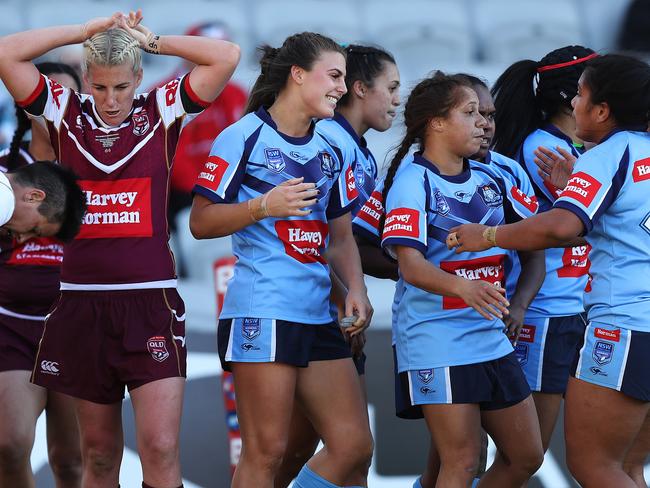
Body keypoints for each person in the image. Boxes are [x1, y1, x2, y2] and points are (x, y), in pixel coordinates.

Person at [0, 9, 240, 488]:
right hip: (82, 305)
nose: (111, 100)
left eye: (122, 87)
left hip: (150, 303)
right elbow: (6, 53)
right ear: (86, 77)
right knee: (101, 456)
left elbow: (226, 56)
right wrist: (83, 32)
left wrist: (151, 41)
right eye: (101, 86)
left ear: (138, 78)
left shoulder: (161, 108)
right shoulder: (65, 111)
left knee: (161, 448)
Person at [448, 53, 650, 488]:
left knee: (595, 467)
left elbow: (560, 227)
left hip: (625, 324)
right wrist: (570, 192)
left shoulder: (607, 154)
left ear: (602, 111)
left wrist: (487, 236)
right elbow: (610, 224)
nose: (574, 105)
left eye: (582, 95)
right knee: (629, 468)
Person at [190, 32, 373, 488]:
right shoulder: (243, 136)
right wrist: (262, 206)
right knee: (266, 453)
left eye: (345, 79)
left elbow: (342, 238)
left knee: (353, 446)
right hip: (263, 309)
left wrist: (357, 291)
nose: (342, 88)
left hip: (317, 313)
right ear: (297, 74)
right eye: (334, 76)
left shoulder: (332, 147)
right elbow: (200, 222)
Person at [379, 71, 543, 487]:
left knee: (526, 457)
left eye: (484, 114)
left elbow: (542, 239)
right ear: (436, 122)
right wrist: (463, 288)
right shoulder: (413, 182)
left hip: (489, 335)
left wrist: (518, 304)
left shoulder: (493, 177)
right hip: (437, 337)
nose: (483, 123)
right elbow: (410, 266)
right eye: (470, 113)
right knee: (464, 459)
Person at [274, 43, 400, 488]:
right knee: (343, 452)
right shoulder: (329, 142)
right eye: (392, 87)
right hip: (312, 312)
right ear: (361, 89)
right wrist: (347, 295)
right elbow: (318, 239)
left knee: (309, 453)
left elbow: (354, 240)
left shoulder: (357, 150)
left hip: (331, 311)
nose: (397, 100)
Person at [490, 45, 596, 456]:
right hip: (547, 311)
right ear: (575, 96)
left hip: (574, 308)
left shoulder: (581, 150)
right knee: (523, 457)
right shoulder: (544, 150)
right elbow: (579, 227)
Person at [0, 61, 83, 488]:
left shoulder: (100, 168)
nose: (56, 107)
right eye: (47, 97)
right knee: (10, 445)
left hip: (77, 329)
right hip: (11, 327)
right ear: (26, 101)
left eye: (67, 99)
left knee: (72, 461)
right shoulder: (5, 175)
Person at [148, 21, 248, 275]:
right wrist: (211, 191)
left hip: (227, 186)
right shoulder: (164, 93)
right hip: (182, 192)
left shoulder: (236, 93)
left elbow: (245, 146)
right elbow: (174, 159)